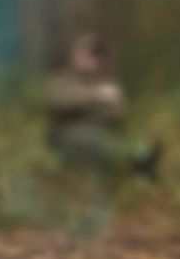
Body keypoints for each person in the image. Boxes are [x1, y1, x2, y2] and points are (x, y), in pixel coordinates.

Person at [46, 32, 160, 178]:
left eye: (96, 56)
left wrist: (114, 106)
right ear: (75, 55)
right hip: (64, 137)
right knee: (95, 139)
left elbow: (117, 118)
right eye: (88, 54)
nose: (91, 60)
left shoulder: (104, 83)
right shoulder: (62, 79)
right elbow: (59, 103)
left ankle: (141, 160)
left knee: (122, 140)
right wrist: (96, 96)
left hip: (100, 134)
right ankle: (135, 163)